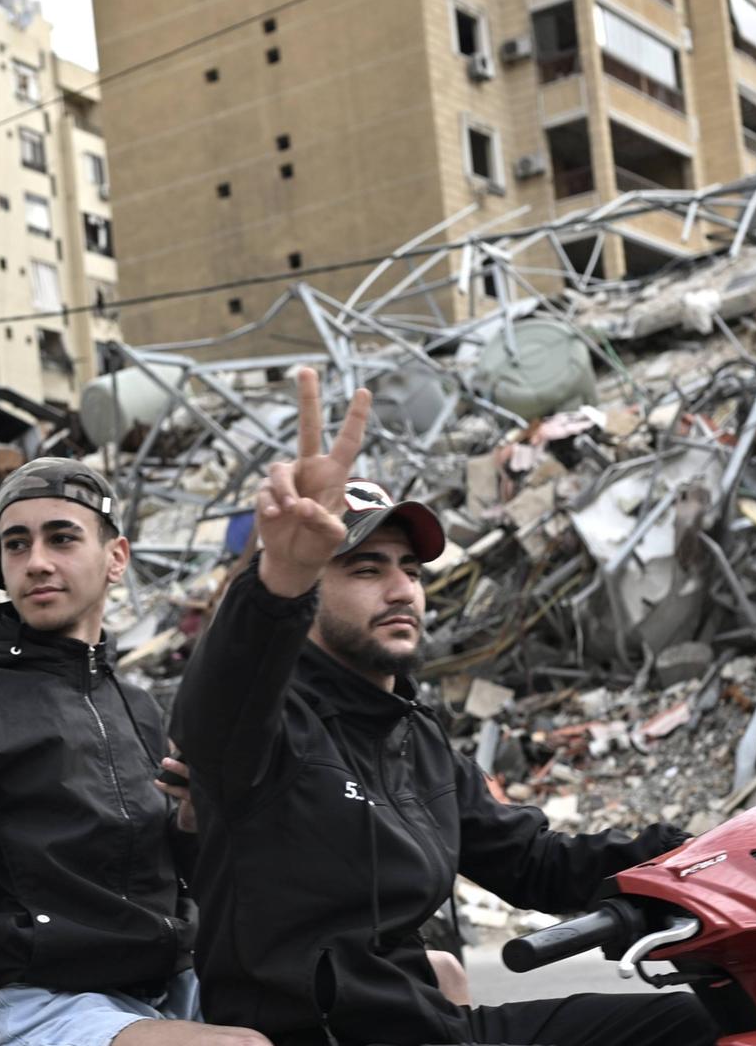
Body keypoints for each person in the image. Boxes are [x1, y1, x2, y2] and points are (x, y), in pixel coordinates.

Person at [173, 370, 719, 1046]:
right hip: (329, 1037)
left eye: (412, 569)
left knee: (708, 1023)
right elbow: (215, 706)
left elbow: (534, 861)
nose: (401, 589)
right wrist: (279, 579)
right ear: (309, 593)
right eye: (366, 569)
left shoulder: (415, 741)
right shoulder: (265, 731)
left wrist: (694, 857)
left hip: (432, 1029)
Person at [0, 458, 269, 1046]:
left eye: (61, 538)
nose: (36, 561)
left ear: (117, 558)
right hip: (47, 1003)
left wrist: (190, 825)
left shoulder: (135, 706)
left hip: (163, 987)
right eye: (16, 544)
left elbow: (160, 873)